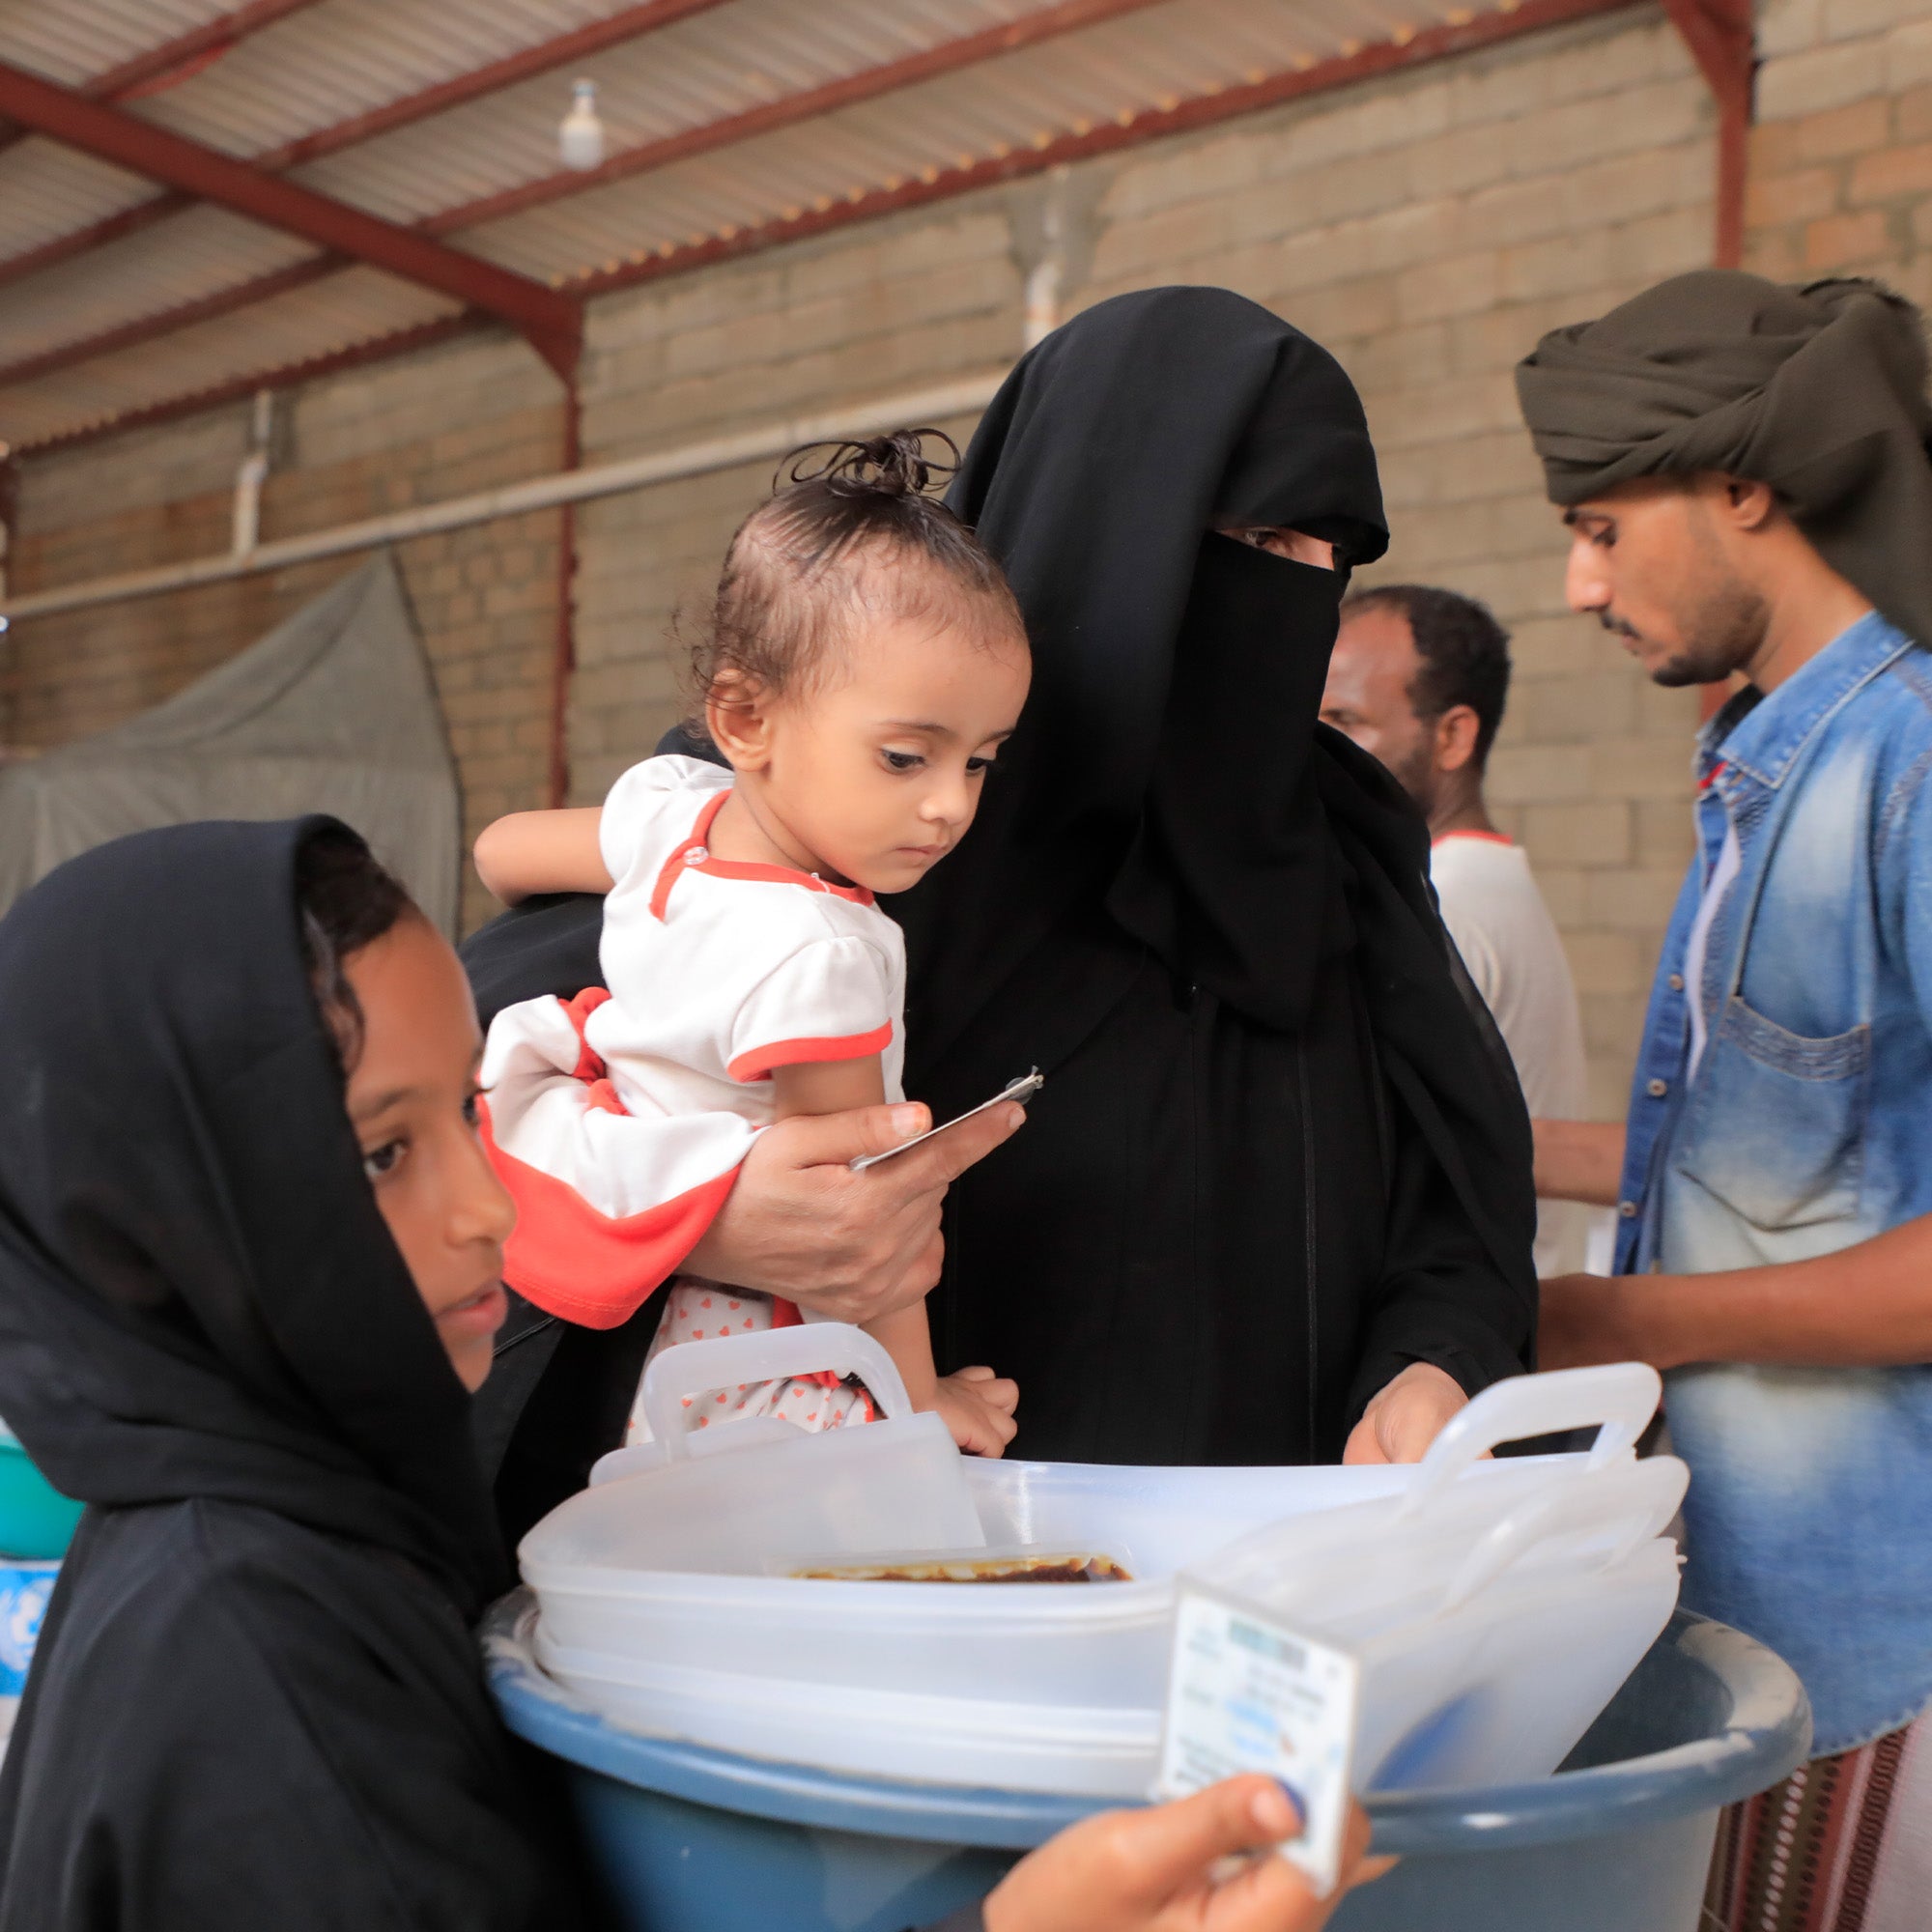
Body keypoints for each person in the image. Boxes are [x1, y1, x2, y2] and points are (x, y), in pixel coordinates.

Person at [0, 816, 1387, 1930]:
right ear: (162, 1211)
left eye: (471, 1117)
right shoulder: (269, 1683)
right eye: (378, 1154)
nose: (487, 1207)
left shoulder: (274, 1536)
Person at [464, 285, 1538, 1509]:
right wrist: (701, 1213)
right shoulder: (806, 818)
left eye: (1324, 558)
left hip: (1261, 1604)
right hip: (895, 1589)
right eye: (1244, 545)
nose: (1291, 596)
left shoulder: (1341, 856)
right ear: (1101, 526)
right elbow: (458, 1104)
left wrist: (1432, 1361)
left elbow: (1453, 1211)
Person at [1515, 269, 1932, 1932]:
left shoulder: (1907, 760)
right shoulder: (1768, 769)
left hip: (1880, 1625)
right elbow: (1802, 1167)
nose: (1577, 581)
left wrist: (1624, 1317)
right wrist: (1460, 1143)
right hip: (1751, 1603)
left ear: (1748, 488)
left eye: (1605, 526)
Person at [472, 432, 1027, 1455]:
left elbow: (503, 851)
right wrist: (920, 1405)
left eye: (982, 762)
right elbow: (867, 1208)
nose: (948, 805)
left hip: (627, 1295)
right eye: (904, 756)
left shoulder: (670, 812)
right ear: (743, 714)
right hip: (755, 1340)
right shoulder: (827, 951)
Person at [1321, 584, 1592, 1275]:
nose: (1313, 753)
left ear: (1453, 736)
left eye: (1345, 722)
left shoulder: (1448, 901)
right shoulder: (1476, 880)